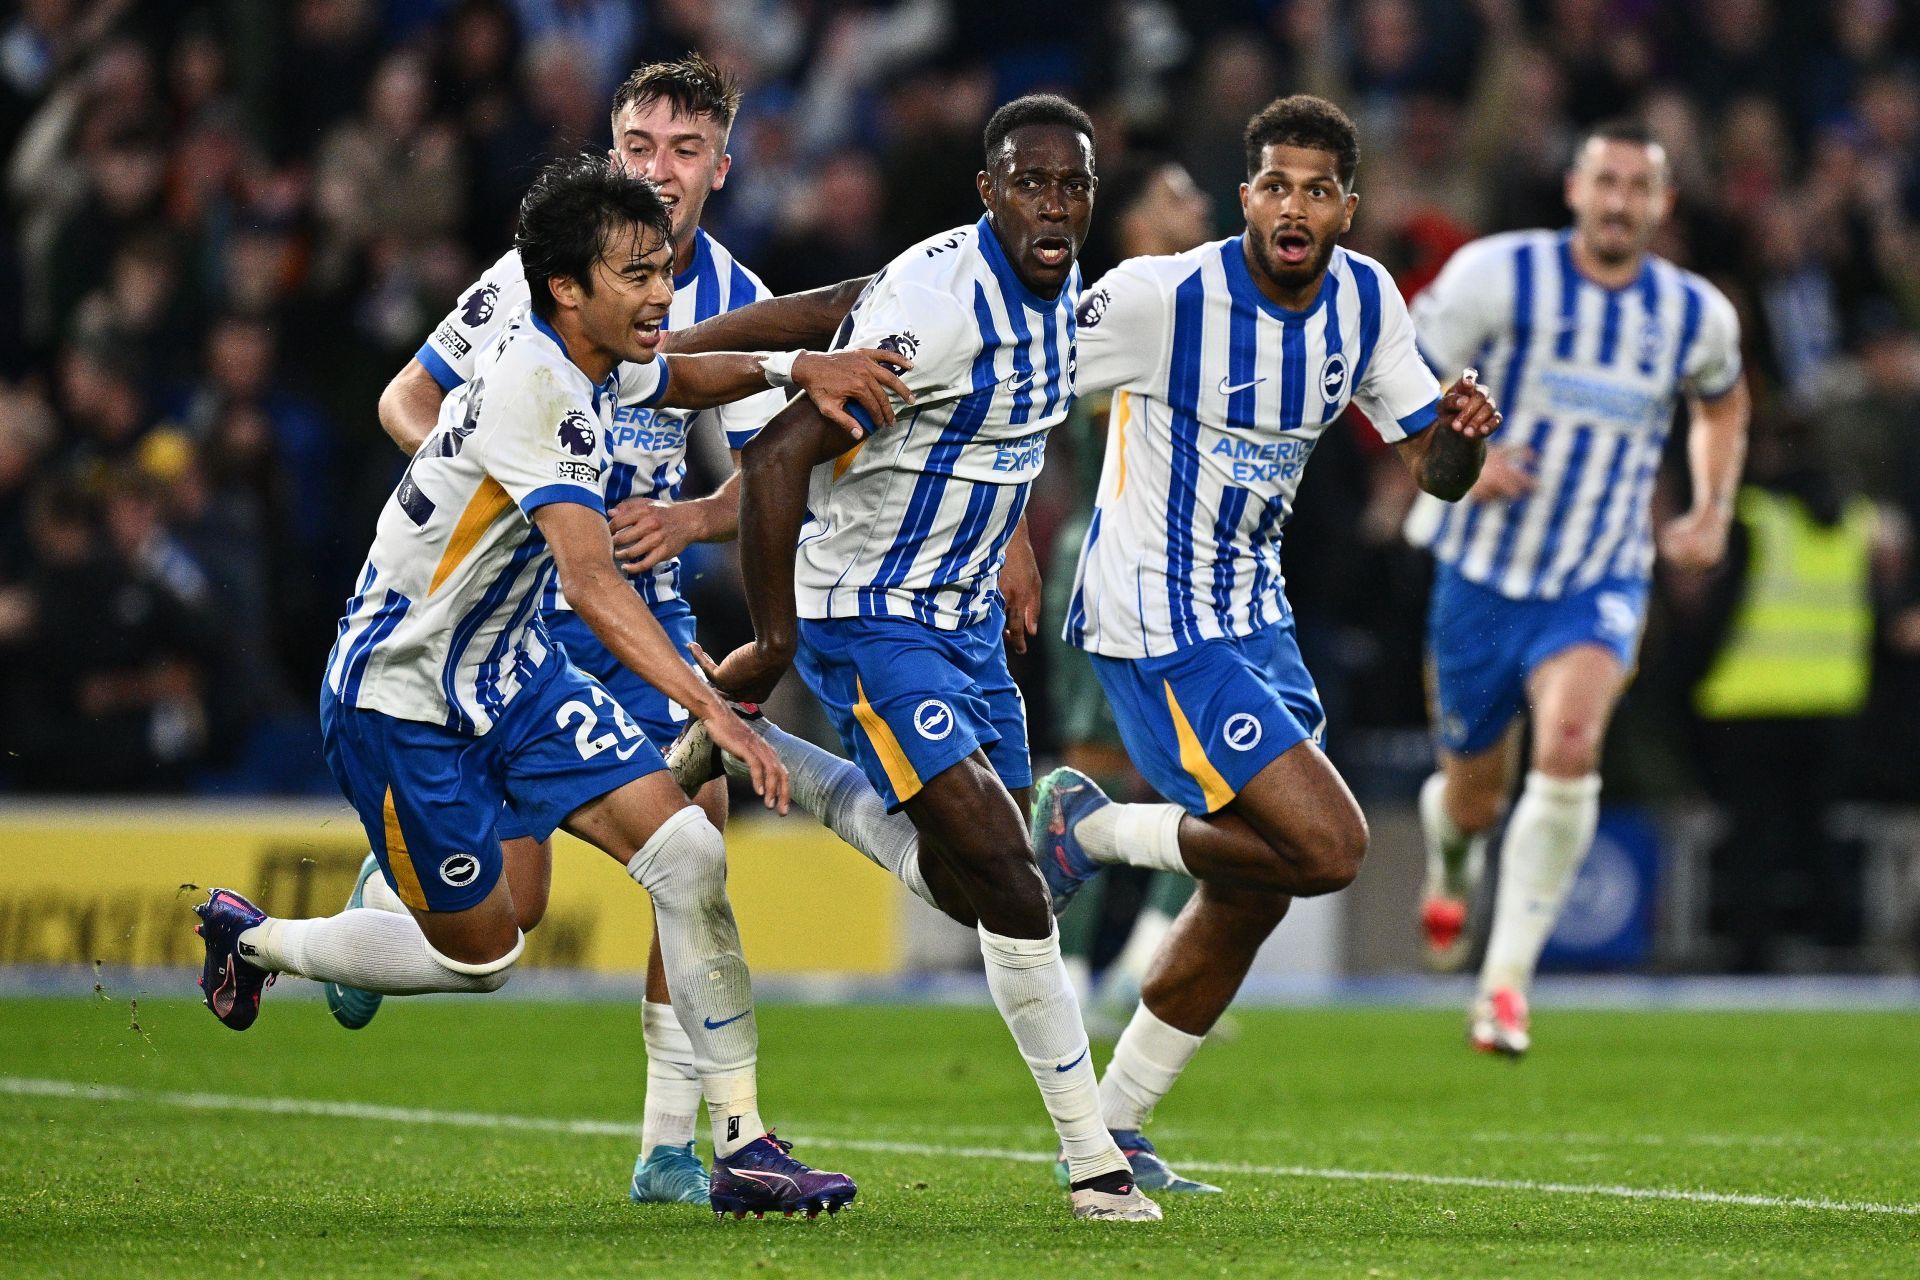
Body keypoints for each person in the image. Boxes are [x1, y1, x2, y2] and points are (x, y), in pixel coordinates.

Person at [191, 153, 902, 1220]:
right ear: (568, 288)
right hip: (402, 699)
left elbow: (684, 376)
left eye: (663, 268)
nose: (663, 293)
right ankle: (253, 938)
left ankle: (745, 1143)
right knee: (488, 953)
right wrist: (714, 707)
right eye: (636, 274)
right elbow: (591, 579)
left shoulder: (597, 357)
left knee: (690, 848)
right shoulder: (535, 385)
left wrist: (798, 368)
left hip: (512, 672)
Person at [695, 94, 1164, 1224]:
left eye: (1071, 186)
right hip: (874, 616)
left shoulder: (1066, 308)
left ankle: (784, 761)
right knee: (1010, 868)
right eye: (1030, 181)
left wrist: (1005, 540)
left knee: (980, 881)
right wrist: (774, 637)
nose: (1052, 203)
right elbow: (775, 463)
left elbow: (854, 312)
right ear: (988, 191)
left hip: (965, 619)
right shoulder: (946, 305)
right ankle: (1094, 1158)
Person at [1030, 94, 1495, 1181]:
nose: (1294, 206)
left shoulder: (1367, 302)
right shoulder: (1161, 297)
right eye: (1275, 185)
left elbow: (1434, 466)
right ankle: (1093, 832)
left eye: (1317, 189)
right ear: (1247, 198)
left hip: (1255, 619)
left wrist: (1463, 440)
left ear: (1347, 208)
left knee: (1262, 881)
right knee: (1330, 845)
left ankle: (1116, 1125)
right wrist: (1002, 530)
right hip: (1153, 617)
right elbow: (1018, 379)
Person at [1403, 118, 1750, 1054]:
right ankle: (1452, 856)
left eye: (1640, 187)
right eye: (1606, 182)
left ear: (1662, 204)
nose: (1619, 201)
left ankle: (1504, 984)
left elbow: (1723, 398)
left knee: (1568, 741)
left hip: (1599, 573)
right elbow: (1398, 364)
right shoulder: (1495, 274)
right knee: (1473, 794)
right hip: (1479, 569)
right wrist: (1461, 448)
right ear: (1575, 190)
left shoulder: (1693, 312)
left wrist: (1713, 506)